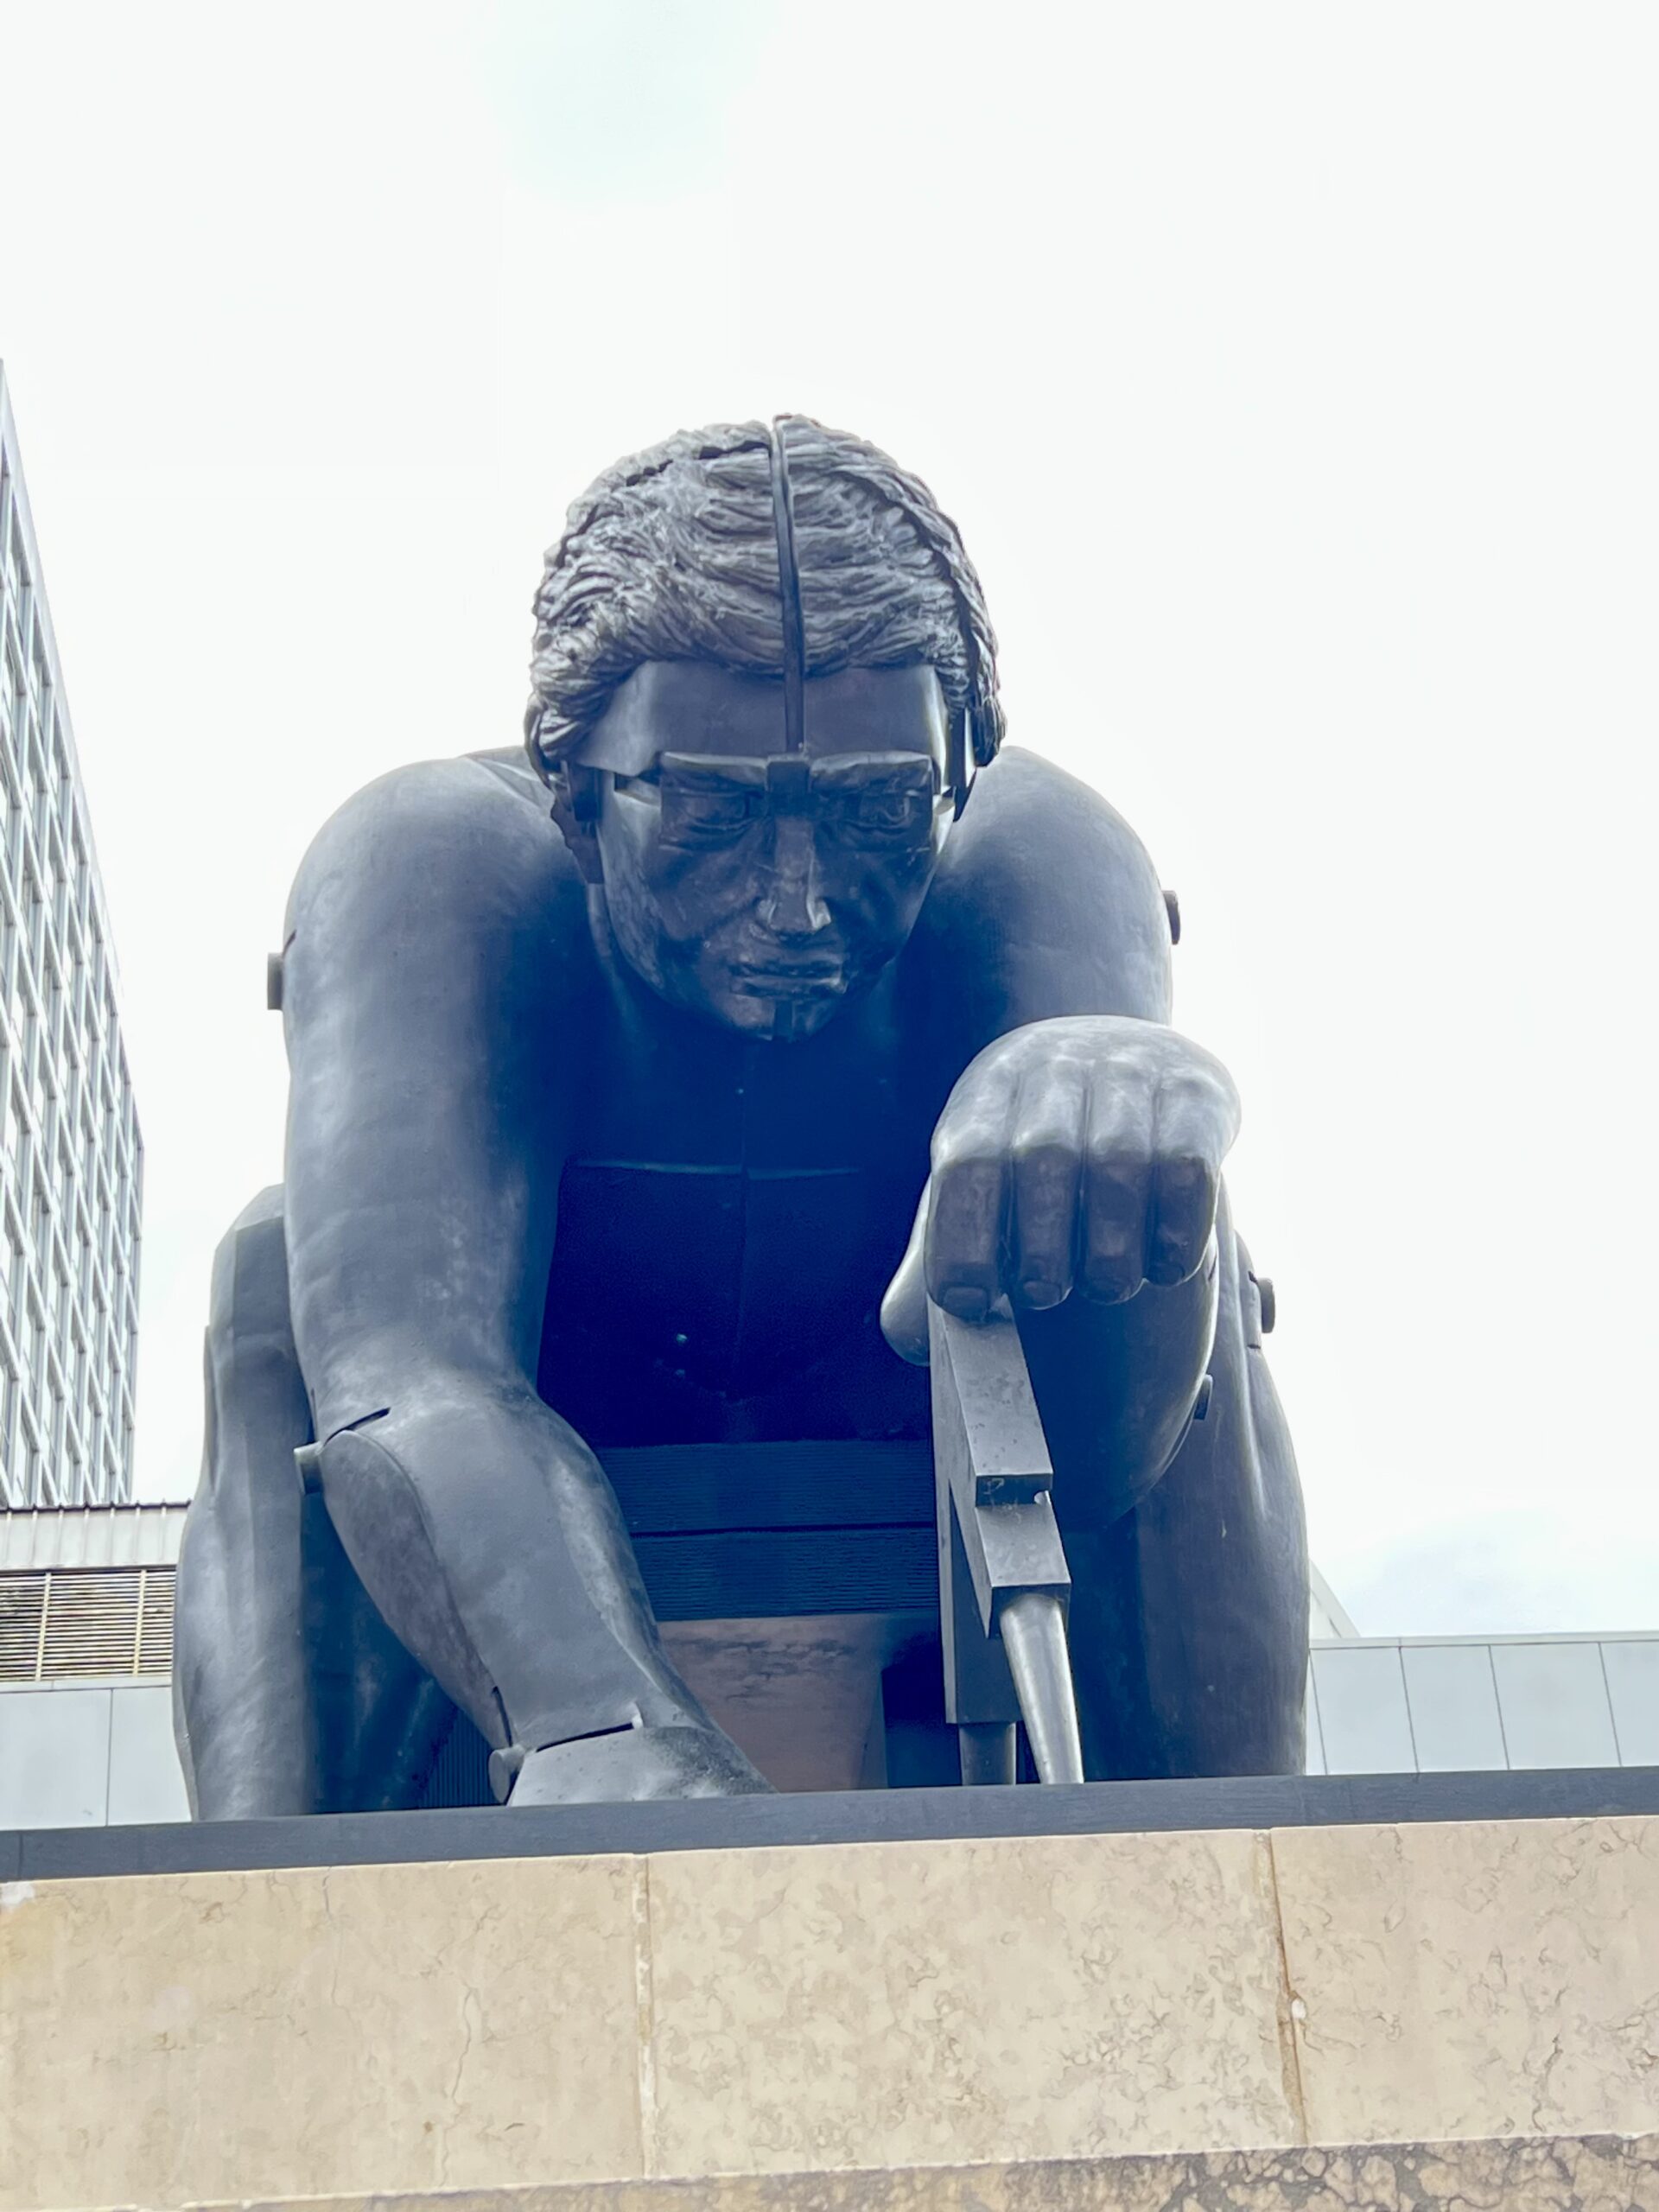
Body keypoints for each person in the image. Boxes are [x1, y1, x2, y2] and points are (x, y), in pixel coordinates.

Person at [175, 416, 1307, 1813]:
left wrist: (1119, 1135)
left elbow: (1101, 1456)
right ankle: (279, 1934)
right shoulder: (430, 868)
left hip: (895, 1390)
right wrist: (610, 1738)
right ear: (576, 799)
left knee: (1178, 1221)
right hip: (565, 1390)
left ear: (957, 782)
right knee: (278, 1272)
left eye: (877, 818)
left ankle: (1235, 1855)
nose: (797, 901)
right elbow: (408, 1361)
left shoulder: (1043, 856)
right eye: (708, 813)